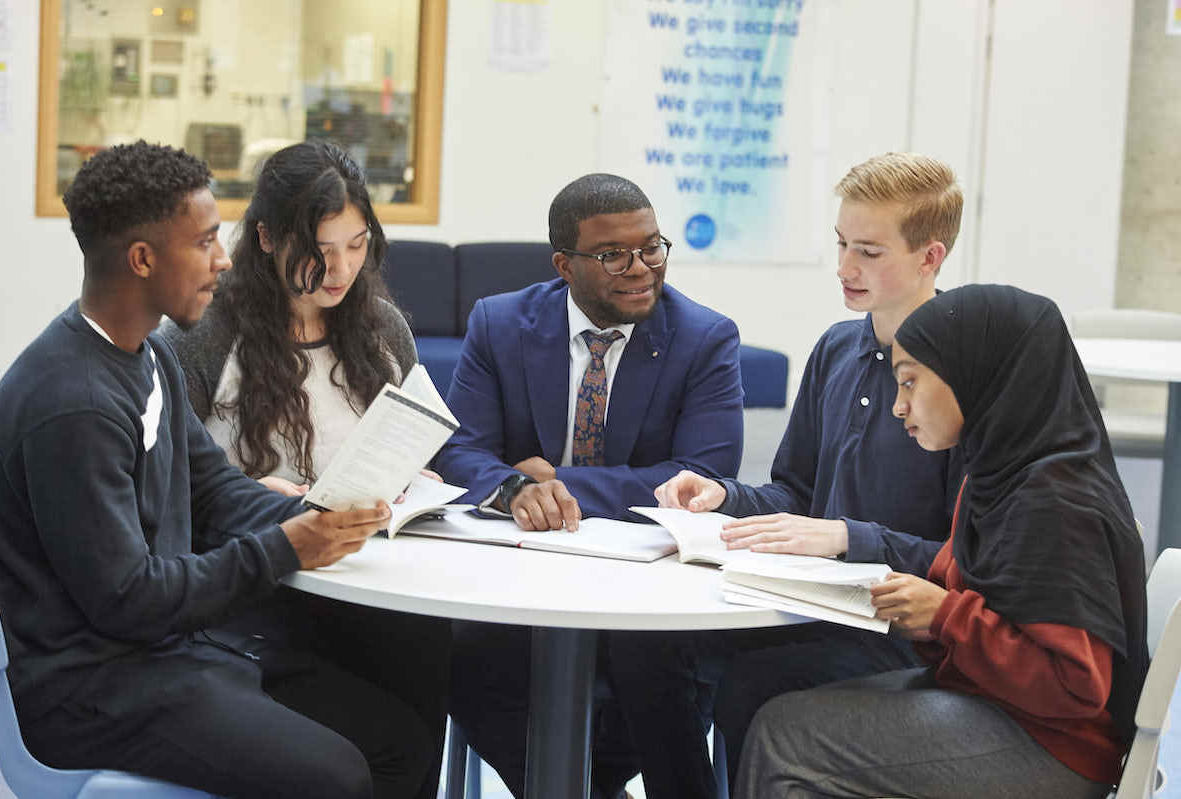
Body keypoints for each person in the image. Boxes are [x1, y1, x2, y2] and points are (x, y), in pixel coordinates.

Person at [0, 140, 433, 799]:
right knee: (339, 775)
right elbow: (128, 599)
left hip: (167, 653)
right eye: (204, 243)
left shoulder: (143, 358)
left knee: (403, 740)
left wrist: (315, 516)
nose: (223, 261)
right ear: (142, 259)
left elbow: (215, 491)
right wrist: (285, 548)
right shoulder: (70, 402)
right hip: (90, 689)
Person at [736, 283, 1149, 798]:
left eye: (910, 383)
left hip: (1055, 745)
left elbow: (1074, 687)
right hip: (998, 703)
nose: (898, 407)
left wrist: (943, 616)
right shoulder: (998, 473)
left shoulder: (1053, 502)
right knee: (767, 693)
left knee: (784, 738)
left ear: (973, 374)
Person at [646, 152, 965, 797]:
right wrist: (724, 497)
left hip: (902, 626)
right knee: (654, 653)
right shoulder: (837, 349)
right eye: (842, 244)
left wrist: (848, 536)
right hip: (807, 603)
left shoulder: (967, 371)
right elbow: (797, 493)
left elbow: (968, 559)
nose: (846, 268)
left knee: (753, 685)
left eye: (870, 253)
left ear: (930, 257)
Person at [161, 139, 453, 799]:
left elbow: (414, 439)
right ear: (265, 237)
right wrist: (250, 495)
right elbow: (164, 483)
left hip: (373, 575)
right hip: (261, 590)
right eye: (319, 250)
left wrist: (416, 481)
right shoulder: (204, 334)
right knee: (380, 734)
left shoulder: (380, 327)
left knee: (431, 660)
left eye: (356, 246)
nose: (340, 269)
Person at [438, 172, 745, 798]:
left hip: (651, 581)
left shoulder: (704, 337)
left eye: (652, 247)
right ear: (564, 265)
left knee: (656, 663)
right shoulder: (500, 324)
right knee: (457, 656)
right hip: (521, 572)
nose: (640, 268)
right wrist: (513, 491)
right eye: (613, 255)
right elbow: (459, 447)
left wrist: (560, 482)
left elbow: (703, 473)